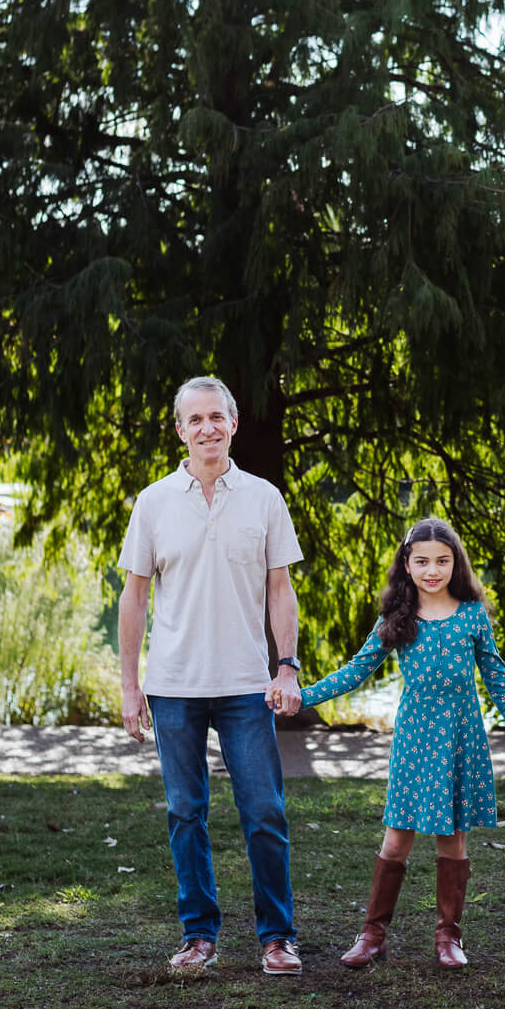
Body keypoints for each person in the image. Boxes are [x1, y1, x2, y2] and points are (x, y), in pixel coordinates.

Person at [273, 519, 505, 969]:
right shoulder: (397, 618)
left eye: (442, 560)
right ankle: (372, 935)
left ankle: (448, 938)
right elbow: (356, 671)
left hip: (461, 739)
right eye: (422, 561)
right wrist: (302, 695)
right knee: (396, 839)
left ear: (455, 563)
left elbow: (498, 679)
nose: (432, 570)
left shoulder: (472, 614)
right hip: (415, 741)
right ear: (407, 564)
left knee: (452, 840)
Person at [119, 376, 305, 977]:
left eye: (216, 417)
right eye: (194, 419)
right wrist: (129, 685)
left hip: (248, 685)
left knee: (264, 813)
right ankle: (199, 937)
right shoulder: (153, 502)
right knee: (184, 813)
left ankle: (277, 938)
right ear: (180, 430)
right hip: (173, 687)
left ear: (232, 423)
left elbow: (281, 588)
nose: (207, 428)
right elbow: (134, 597)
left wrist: (287, 666)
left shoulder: (263, 498)